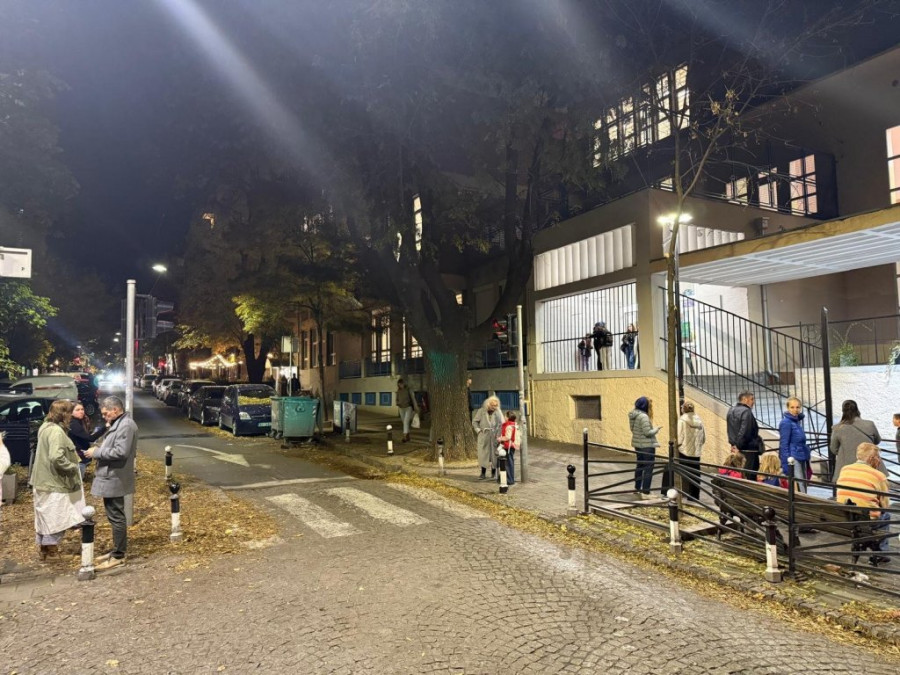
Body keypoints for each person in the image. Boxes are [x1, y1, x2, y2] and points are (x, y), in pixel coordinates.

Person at [84, 396, 138, 570]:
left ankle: (119, 555)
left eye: (106, 413)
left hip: (115, 476)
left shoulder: (126, 425)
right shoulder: (120, 423)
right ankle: (116, 550)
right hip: (112, 476)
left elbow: (121, 452)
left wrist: (97, 452)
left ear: (115, 409)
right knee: (114, 515)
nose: (104, 416)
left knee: (116, 516)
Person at [31, 400, 85, 561]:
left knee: (45, 515)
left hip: (43, 480)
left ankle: (45, 549)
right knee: (57, 515)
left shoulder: (45, 427)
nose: (71, 416)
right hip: (54, 482)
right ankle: (51, 550)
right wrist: (72, 467)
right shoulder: (56, 431)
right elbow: (56, 457)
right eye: (69, 413)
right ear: (63, 414)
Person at [836, 443, 891, 565]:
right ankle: (881, 553)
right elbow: (885, 505)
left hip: (843, 520)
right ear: (872, 458)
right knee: (886, 516)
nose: (879, 460)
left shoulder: (845, 469)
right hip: (866, 522)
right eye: (878, 457)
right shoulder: (878, 475)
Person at [830, 400, 882, 480]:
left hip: (846, 468)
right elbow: (877, 441)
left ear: (843, 411)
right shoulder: (870, 424)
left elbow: (834, 449)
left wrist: (847, 452)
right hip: (869, 464)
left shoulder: (837, 428)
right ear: (857, 410)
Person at [629, 397, 661, 498]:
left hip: (638, 445)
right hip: (647, 446)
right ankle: (646, 492)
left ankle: (637, 488)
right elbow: (647, 433)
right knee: (648, 468)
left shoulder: (634, 415)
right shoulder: (643, 416)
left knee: (640, 466)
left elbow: (633, 429)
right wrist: (656, 429)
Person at [778, 397, 811, 493]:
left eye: (797, 407)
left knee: (802, 483)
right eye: (792, 407)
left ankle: (803, 499)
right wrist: (786, 465)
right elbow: (783, 444)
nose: (795, 410)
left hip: (801, 455)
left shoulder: (796, 421)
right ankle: (802, 501)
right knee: (799, 484)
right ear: (788, 408)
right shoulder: (786, 422)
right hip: (793, 457)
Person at [727, 391, 762, 477]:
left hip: (735, 449)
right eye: (752, 399)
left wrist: (734, 445)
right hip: (748, 451)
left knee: (738, 475)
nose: (753, 402)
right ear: (745, 399)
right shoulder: (747, 412)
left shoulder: (731, 410)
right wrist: (738, 446)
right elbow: (745, 431)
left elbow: (730, 429)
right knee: (750, 476)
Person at [677, 401, 705, 501]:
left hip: (684, 451)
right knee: (696, 473)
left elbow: (679, 438)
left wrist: (677, 445)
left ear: (683, 409)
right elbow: (703, 438)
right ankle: (695, 495)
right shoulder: (699, 420)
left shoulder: (682, 420)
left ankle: (685, 493)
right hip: (696, 452)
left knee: (684, 473)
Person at [68, 402, 104, 479]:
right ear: (71, 412)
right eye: (77, 410)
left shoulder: (81, 421)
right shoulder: (73, 424)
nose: (81, 411)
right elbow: (90, 438)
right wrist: (104, 428)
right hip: (78, 458)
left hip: (81, 456)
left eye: (82, 409)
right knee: (78, 480)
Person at [472, 395, 503, 480]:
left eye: (496, 405)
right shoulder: (481, 411)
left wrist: (498, 435)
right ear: (488, 404)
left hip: (494, 436)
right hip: (484, 435)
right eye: (493, 405)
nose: (494, 407)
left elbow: (501, 424)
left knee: (494, 455)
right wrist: (478, 430)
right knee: (483, 455)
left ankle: (493, 473)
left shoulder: (498, 412)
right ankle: (483, 473)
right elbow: (475, 422)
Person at [498, 410, 520, 486]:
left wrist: (500, 439)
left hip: (509, 446)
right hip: (512, 446)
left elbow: (508, 437)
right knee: (509, 462)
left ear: (508, 417)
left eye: (505, 416)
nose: (504, 417)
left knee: (508, 463)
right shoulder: (514, 425)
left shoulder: (508, 426)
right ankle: (508, 478)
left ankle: (510, 479)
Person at [395, 378, 419, 443]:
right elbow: (396, 399)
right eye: (399, 384)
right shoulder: (398, 391)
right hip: (401, 408)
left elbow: (413, 398)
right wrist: (398, 403)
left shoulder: (408, 390)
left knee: (406, 421)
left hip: (408, 407)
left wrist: (415, 406)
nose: (400, 385)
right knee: (404, 422)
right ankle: (408, 436)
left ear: (404, 383)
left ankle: (405, 436)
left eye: (401, 384)